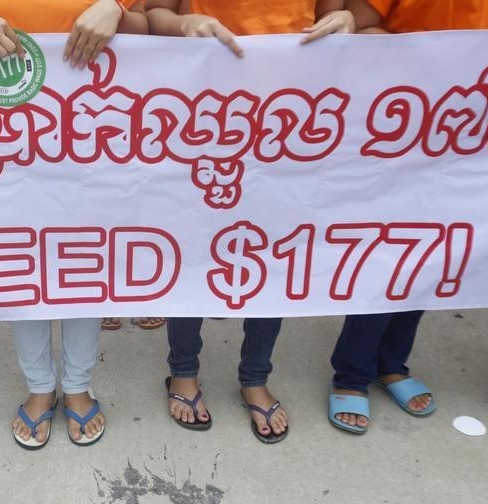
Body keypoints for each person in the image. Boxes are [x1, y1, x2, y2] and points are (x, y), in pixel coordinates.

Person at [0, 0, 148, 449]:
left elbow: (145, 31)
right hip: (0, 138)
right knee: (20, 261)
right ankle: (39, 385)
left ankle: (78, 384)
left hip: (93, 133)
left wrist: (116, 10)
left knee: (85, 260)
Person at [145, 0, 353, 443]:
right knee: (193, 249)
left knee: (273, 254)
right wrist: (184, 22)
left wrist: (346, 22)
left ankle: (255, 375)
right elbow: (153, 15)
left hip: (291, 122)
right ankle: (183, 371)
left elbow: (344, 13)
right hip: (199, 115)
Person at [328, 0, 488, 434]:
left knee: (436, 249)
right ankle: (352, 373)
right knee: (390, 249)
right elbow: (359, 25)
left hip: (474, 136)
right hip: (404, 125)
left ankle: (392, 363)